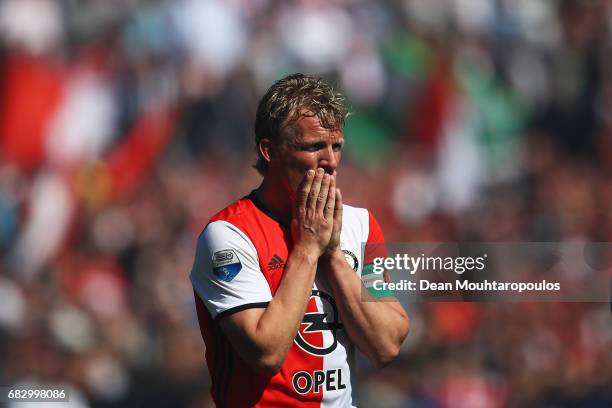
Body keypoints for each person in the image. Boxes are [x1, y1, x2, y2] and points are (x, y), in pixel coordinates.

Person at [190, 73, 409, 407]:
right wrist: (308, 249)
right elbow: (265, 352)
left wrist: (333, 254)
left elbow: (387, 345)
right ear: (269, 151)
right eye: (313, 147)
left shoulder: (360, 225)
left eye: (336, 147)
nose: (331, 161)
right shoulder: (228, 237)